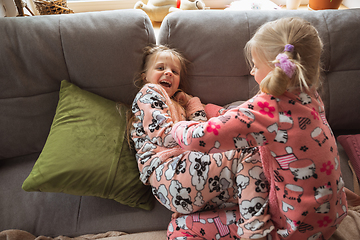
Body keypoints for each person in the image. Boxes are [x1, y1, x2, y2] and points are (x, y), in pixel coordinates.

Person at [171, 17, 348, 239]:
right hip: (331, 217)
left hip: (290, 230)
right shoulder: (310, 95)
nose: (253, 71)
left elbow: (197, 139)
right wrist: (216, 111)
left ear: (276, 70)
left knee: (180, 226)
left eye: (255, 65)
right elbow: (244, 121)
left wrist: (175, 126)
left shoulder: (266, 109)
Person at [129, 45, 265, 239]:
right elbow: (164, 135)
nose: (168, 72)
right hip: (169, 172)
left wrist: (192, 103)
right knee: (248, 151)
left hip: (184, 188)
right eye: (160, 68)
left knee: (245, 180)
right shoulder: (149, 92)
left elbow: (199, 132)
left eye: (174, 71)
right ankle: (256, 230)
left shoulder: (178, 105)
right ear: (145, 76)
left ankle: (191, 227)